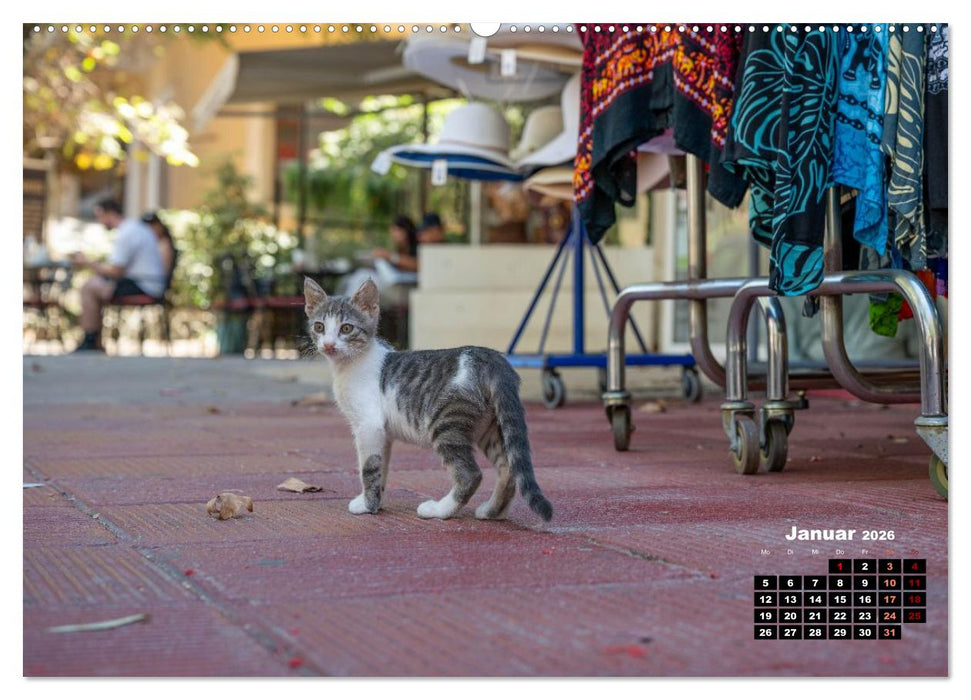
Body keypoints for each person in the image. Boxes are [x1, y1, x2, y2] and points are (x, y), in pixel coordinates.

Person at [70, 198, 166, 351]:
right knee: (96, 284)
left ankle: (90, 340)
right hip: (147, 282)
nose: (99, 221)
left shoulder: (127, 232)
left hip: (145, 285)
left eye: (100, 216)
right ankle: (95, 340)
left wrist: (86, 263)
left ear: (110, 213)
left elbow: (116, 270)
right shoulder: (134, 228)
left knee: (89, 288)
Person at [141, 211, 178, 291]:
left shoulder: (164, 244)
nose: (151, 229)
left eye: (153, 226)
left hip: (154, 284)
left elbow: (164, 271)